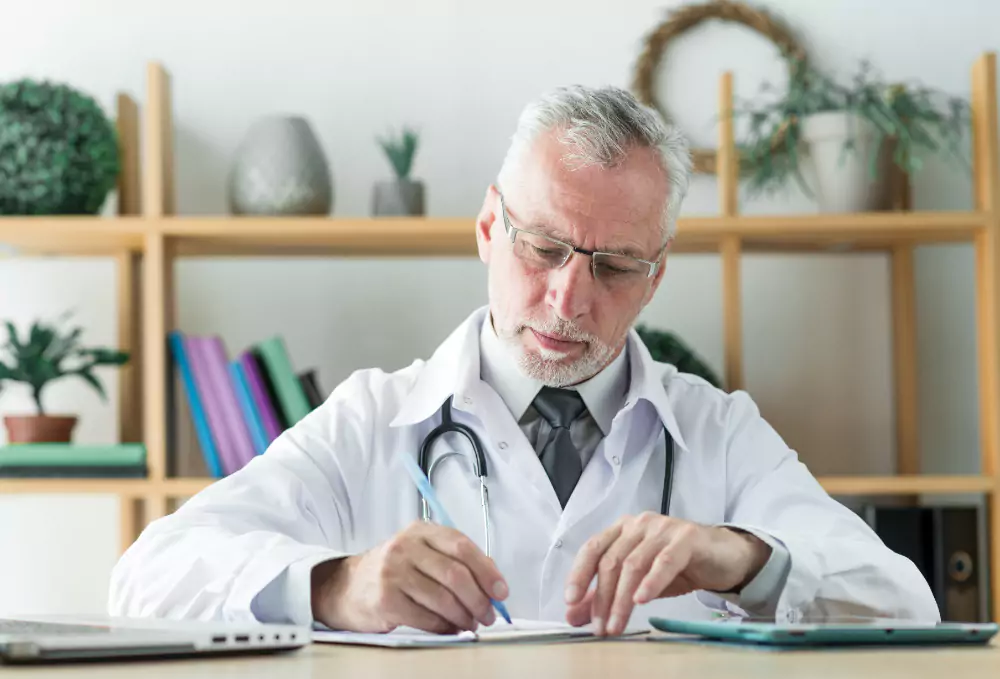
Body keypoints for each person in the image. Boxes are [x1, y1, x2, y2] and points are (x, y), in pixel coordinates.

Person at [108, 85, 939, 636]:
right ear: (486, 230)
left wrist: (743, 557)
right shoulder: (370, 419)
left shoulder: (717, 432)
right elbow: (147, 580)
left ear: (655, 277)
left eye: (613, 266)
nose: (569, 299)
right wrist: (337, 585)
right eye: (543, 247)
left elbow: (905, 604)